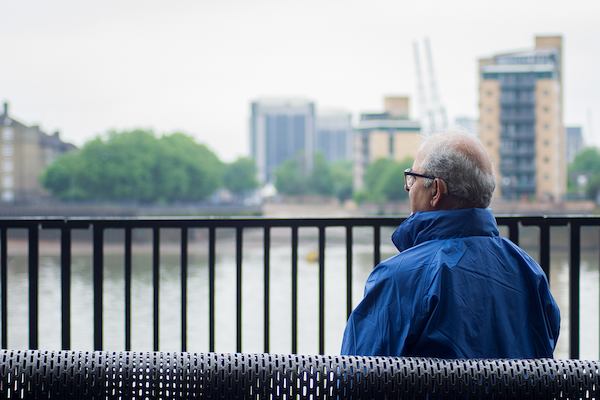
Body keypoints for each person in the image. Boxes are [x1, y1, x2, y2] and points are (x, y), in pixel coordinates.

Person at [341, 132, 560, 358]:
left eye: (412, 178)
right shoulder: (530, 274)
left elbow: (355, 376)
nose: (409, 188)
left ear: (436, 190)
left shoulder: (398, 279)